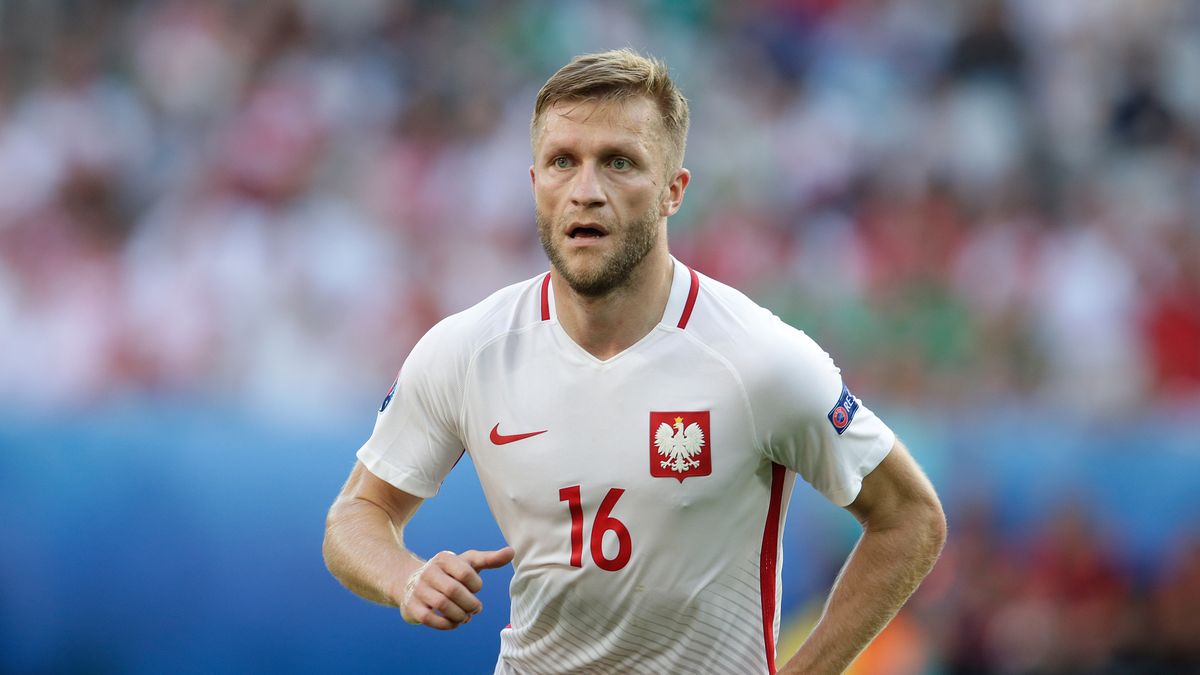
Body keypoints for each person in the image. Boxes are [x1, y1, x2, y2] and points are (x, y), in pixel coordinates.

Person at [322, 49, 947, 674]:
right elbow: (357, 514)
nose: (586, 192)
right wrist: (405, 577)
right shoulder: (467, 350)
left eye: (619, 162)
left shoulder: (759, 359)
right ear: (535, 183)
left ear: (673, 191)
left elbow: (910, 518)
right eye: (563, 162)